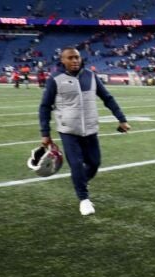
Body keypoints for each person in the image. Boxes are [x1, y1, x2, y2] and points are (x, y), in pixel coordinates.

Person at [39, 47, 131, 216]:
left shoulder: (91, 75)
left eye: (77, 57)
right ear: (63, 60)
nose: (75, 61)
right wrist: (45, 133)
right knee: (76, 164)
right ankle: (84, 199)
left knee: (94, 163)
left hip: (90, 129)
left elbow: (107, 98)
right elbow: (45, 106)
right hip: (68, 130)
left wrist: (122, 119)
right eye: (71, 58)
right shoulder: (55, 79)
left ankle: (80, 181)